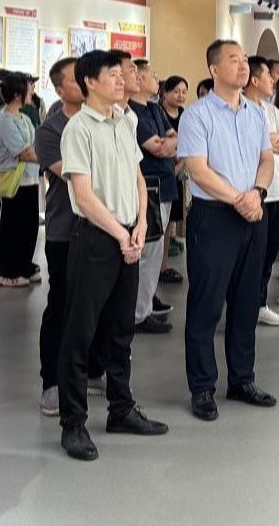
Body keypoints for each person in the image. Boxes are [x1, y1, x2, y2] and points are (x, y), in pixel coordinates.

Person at [58, 50, 168, 461]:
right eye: (114, 75)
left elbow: (139, 179)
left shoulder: (125, 121)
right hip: (96, 240)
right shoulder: (78, 129)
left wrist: (139, 225)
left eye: (124, 75)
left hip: (128, 236)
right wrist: (121, 233)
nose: (124, 80)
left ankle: (121, 408)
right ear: (90, 81)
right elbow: (84, 196)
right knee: (80, 332)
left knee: (122, 329)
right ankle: (73, 423)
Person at [177, 40, 277, 422]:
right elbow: (197, 169)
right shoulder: (197, 115)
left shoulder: (256, 114)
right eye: (234, 60)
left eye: (245, 59)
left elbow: (266, 159)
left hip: (253, 212)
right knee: (207, 303)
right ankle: (202, 387)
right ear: (214, 70)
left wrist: (257, 192)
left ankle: (242, 379)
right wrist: (239, 197)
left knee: (247, 302)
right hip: (215, 216)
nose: (243, 65)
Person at [36, 58, 107, 416]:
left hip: (104, 227)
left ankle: (93, 370)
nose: (84, 81)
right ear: (60, 89)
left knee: (98, 305)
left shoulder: (107, 121)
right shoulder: (51, 130)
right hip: (66, 230)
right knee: (62, 305)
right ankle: (52, 381)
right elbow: (75, 176)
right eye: (75, 79)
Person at [244, 56, 279, 326]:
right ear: (254, 80)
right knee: (253, 252)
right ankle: (247, 304)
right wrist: (271, 142)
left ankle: (260, 303)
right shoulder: (242, 109)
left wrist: (269, 142)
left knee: (271, 248)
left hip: (277, 190)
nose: (273, 81)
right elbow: (252, 146)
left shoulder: (272, 111)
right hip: (254, 192)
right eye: (268, 76)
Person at [129, 59, 177, 333]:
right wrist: (168, 144)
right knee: (147, 252)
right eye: (152, 75)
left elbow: (173, 137)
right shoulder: (132, 113)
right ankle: (138, 313)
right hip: (149, 187)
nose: (156, 80)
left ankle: (145, 305)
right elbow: (157, 147)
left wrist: (169, 143)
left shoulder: (154, 108)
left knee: (155, 252)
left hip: (165, 186)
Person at [0, 72, 41, 288]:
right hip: (14, 180)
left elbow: (34, 146)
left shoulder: (24, 118)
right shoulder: (4, 120)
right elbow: (23, 152)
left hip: (30, 179)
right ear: (17, 94)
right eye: (28, 88)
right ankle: (7, 271)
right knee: (12, 226)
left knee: (29, 226)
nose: (32, 91)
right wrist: (47, 155)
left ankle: (24, 265)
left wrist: (39, 152)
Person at [159, 76, 188, 282]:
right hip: (163, 171)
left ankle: (164, 265)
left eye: (184, 92)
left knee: (169, 222)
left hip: (179, 172)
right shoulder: (158, 113)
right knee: (159, 223)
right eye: (176, 91)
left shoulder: (185, 115)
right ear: (165, 92)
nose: (180, 96)